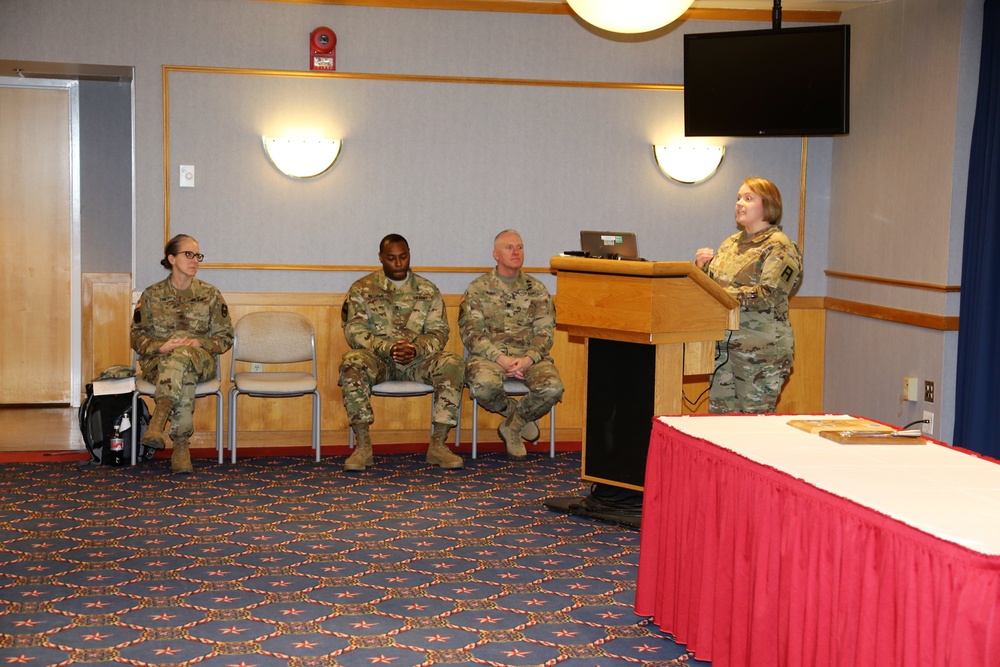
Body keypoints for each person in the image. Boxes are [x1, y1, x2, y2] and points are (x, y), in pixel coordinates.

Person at [340, 234, 464, 471]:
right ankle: (363, 447)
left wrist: (416, 348)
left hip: (418, 361)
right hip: (379, 360)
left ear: (409, 254)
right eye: (391, 258)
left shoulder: (427, 289)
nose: (398, 263)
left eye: (403, 257)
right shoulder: (362, 288)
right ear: (380, 258)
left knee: (452, 363)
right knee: (352, 362)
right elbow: (354, 331)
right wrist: (387, 348)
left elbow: (439, 332)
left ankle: (438, 445)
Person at [694, 177, 802, 414]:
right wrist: (700, 270)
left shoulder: (780, 247)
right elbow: (711, 287)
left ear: (768, 205)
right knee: (721, 426)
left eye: (748, 198)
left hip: (761, 353)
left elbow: (770, 294)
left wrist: (721, 294)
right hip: (724, 349)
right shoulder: (730, 244)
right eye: (738, 198)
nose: (739, 203)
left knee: (754, 427)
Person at [131, 234, 233, 473]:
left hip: (202, 362)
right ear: (171, 258)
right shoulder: (151, 295)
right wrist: (161, 346)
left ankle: (160, 418)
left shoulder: (211, 295)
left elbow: (225, 337)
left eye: (198, 256)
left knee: (183, 355)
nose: (195, 260)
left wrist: (199, 342)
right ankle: (180, 444)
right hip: (159, 363)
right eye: (188, 254)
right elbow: (136, 336)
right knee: (180, 368)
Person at [460, 230, 564, 460]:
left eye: (520, 247)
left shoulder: (536, 289)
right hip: (490, 358)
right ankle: (514, 414)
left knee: (553, 388)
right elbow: (472, 333)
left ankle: (513, 427)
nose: (516, 252)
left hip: (530, 357)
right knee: (482, 386)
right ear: (495, 254)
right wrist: (502, 360)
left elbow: (545, 332)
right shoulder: (478, 288)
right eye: (509, 247)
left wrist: (528, 359)